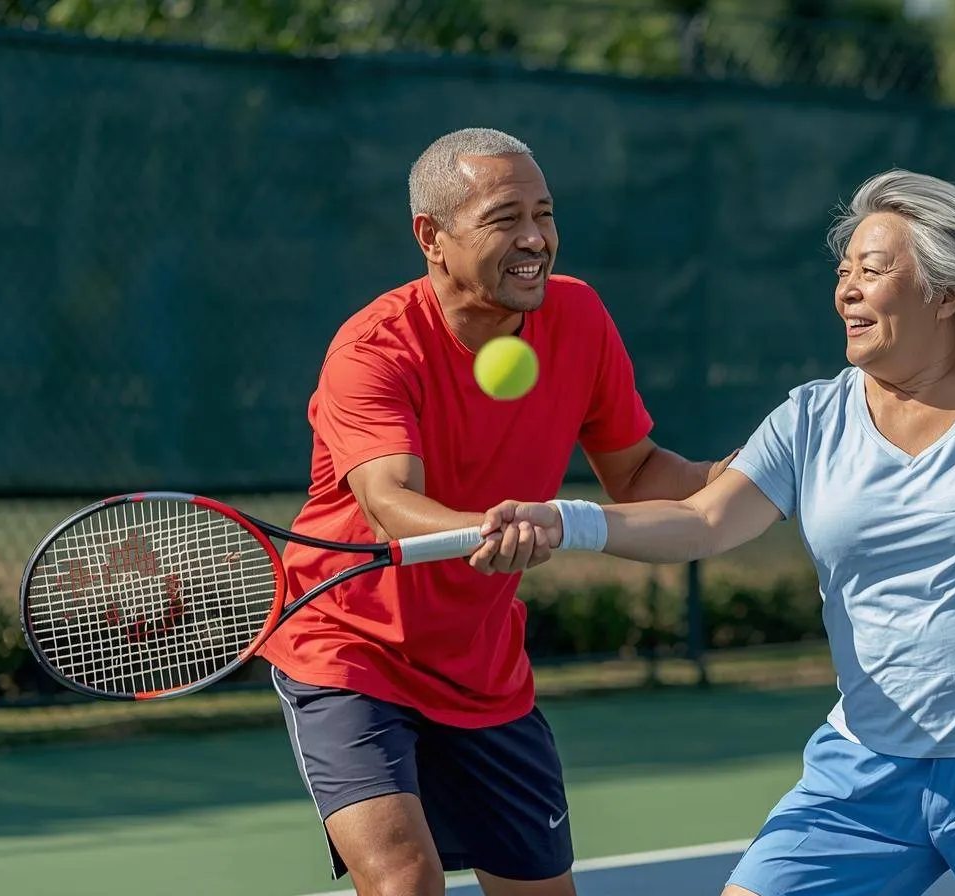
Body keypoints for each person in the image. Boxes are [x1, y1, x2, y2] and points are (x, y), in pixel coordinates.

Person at [475, 169, 955, 896]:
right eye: (843, 271)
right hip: (867, 765)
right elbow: (703, 520)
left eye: (871, 269)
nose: (846, 290)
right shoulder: (811, 418)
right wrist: (565, 521)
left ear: (944, 293)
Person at [258, 127, 731, 896]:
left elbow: (641, 472)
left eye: (545, 215)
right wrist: (488, 528)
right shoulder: (373, 352)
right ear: (431, 238)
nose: (536, 239)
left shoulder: (577, 319)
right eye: (505, 218)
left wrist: (756, 472)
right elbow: (388, 502)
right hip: (349, 649)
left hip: (482, 667)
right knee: (405, 881)